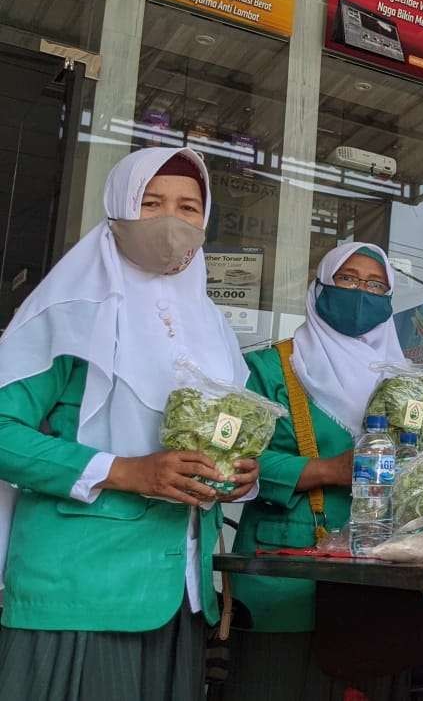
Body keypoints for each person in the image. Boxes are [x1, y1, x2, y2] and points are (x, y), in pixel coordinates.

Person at [0, 147, 256, 698]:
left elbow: (224, 436)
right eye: (151, 201)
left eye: (189, 207)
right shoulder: (70, 313)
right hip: (80, 589)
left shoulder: (214, 331)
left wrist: (240, 474)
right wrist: (120, 470)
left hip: (181, 594)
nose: (171, 219)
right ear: (117, 210)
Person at [221, 243, 412, 700]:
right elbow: (235, 460)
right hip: (285, 574)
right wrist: (327, 470)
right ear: (320, 287)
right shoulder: (269, 367)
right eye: (347, 279)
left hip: (379, 576)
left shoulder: (407, 383)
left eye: (375, 285)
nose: (361, 292)